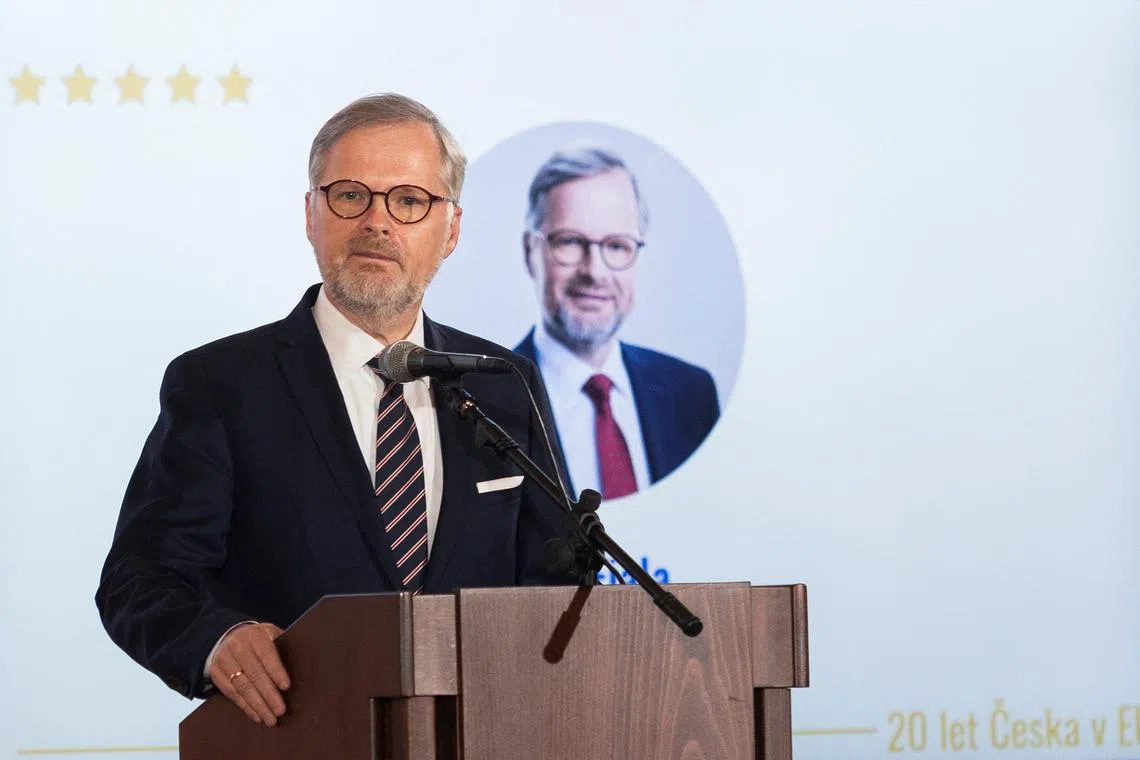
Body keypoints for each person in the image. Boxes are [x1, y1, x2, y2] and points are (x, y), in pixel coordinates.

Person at [95, 94, 571, 726]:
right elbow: (141, 580)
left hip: (481, 732)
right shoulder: (220, 384)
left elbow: (558, 578)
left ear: (450, 230)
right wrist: (216, 640)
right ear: (311, 214)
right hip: (299, 733)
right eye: (350, 196)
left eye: (408, 201)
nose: (377, 222)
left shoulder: (503, 383)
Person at [513, 146, 720, 502]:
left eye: (617, 246)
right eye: (571, 242)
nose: (594, 272)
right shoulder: (482, 399)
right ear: (530, 252)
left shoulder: (692, 394)